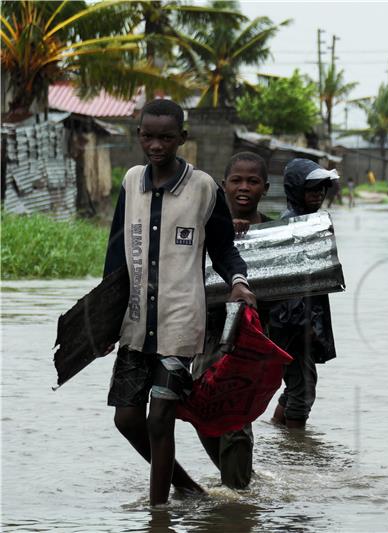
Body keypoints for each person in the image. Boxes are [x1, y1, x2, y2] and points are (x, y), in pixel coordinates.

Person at [103, 99, 257, 505]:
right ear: (138, 135)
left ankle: (159, 513)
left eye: (166, 137)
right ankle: (186, 487)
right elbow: (116, 253)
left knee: (159, 421)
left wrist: (238, 282)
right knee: (127, 418)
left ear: (181, 139)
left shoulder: (204, 188)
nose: (156, 145)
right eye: (148, 136)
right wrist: (102, 320)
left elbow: (224, 249)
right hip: (135, 322)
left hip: (180, 323)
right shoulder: (131, 180)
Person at [195, 151, 272, 489]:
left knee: (236, 414)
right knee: (200, 406)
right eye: (236, 181)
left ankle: (237, 494)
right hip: (206, 331)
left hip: (251, 336)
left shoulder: (275, 231)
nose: (244, 188)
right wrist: (226, 229)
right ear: (223, 185)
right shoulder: (206, 225)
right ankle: (239, 479)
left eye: (252, 181)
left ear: (265, 188)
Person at [269, 158, 339, 429]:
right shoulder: (292, 226)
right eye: (312, 189)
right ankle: (296, 451)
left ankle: (277, 430)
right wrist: (305, 323)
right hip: (294, 322)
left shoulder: (310, 221)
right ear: (296, 190)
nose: (318, 194)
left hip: (301, 318)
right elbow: (290, 282)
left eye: (322, 189)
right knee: (304, 388)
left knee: (298, 380)